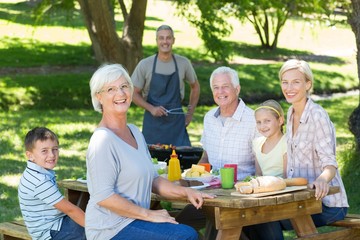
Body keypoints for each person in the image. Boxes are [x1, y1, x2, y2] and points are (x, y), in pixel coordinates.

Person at [86, 63, 213, 240]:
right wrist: (150, 215)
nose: (120, 94)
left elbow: (153, 180)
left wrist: (187, 192)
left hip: (134, 221)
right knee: (185, 236)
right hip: (109, 229)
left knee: (190, 232)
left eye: (124, 86)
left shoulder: (135, 132)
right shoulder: (102, 140)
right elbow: (103, 196)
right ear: (99, 97)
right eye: (111, 89)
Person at [244, 59, 349, 239]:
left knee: (265, 218)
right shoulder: (291, 113)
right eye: (285, 82)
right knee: (247, 218)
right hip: (298, 198)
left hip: (326, 203)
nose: (289, 87)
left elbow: (330, 164)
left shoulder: (318, 116)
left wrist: (322, 180)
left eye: (296, 82)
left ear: (308, 84)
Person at [131, 24, 200, 146]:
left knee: (182, 161)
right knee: (153, 162)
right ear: (157, 41)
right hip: (153, 125)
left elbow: (195, 87)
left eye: (168, 38)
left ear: (173, 40)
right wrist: (151, 108)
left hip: (176, 125)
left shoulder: (183, 63)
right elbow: (133, 93)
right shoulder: (145, 64)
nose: (165, 41)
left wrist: (190, 114)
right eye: (161, 38)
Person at [18, 127, 86, 240]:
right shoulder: (39, 181)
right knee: (99, 228)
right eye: (44, 151)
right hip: (50, 232)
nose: (52, 155)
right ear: (30, 155)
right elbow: (71, 210)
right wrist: (96, 228)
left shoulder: (35, 172)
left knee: (90, 215)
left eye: (55, 149)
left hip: (51, 224)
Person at [198, 66, 258, 181]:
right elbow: (205, 157)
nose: (220, 92)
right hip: (211, 189)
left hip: (243, 190)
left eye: (225, 87)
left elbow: (262, 163)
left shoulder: (254, 119)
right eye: (216, 88)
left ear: (237, 89)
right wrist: (190, 179)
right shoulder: (209, 118)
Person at [253, 99, 287, 177]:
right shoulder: (257, 143)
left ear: (280, 121)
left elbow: (287, 177)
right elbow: (258, 175)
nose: (262, 126)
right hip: (262, 187)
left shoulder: (286, 143)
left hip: (282, 188)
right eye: (259, 122)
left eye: (267, 121)